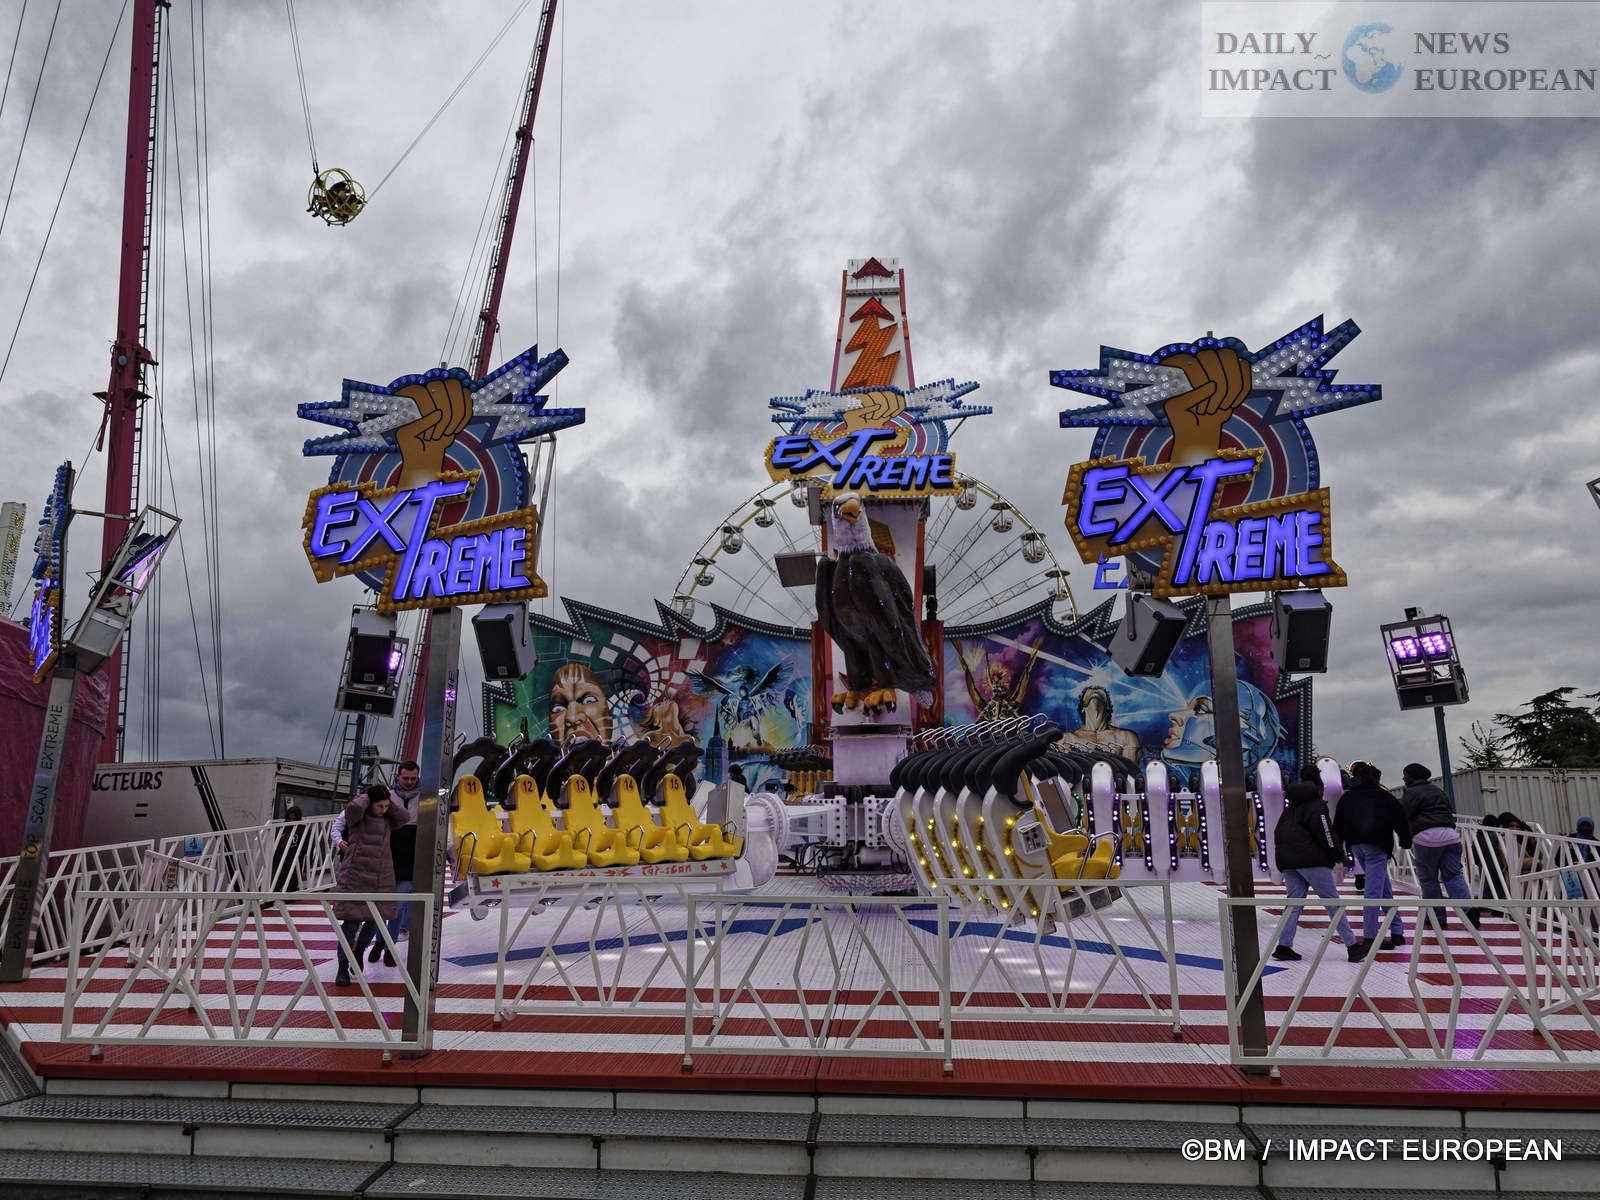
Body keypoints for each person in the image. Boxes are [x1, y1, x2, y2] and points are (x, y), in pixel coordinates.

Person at [1272, 780, 1364, 962]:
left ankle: (1284, 946)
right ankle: (1353, 946)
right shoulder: (1316, 807)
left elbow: (1278, 834)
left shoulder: (1289, 810)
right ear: (1317, 790)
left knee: (1293, 904)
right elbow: (1326, 833)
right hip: (1311, 861)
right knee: (1332, 903)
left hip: (1288, 862)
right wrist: (1339, 855)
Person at [331, 783, 406, 988]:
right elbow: (352, 810)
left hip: (380, 876)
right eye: (379, 806)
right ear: (369, 803)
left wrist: (386, 799)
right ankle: (342, 966)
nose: (384, 809)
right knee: (351, 924)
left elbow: (404, 817)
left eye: (386, 806)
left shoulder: (388, 819)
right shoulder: (357, 817)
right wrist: (368, 795)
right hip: (355, 874)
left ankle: (359, 951)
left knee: (375, 920)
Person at [1333, 763, 1412, 951]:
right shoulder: (1385, 797)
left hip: (1356, 845)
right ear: (1377, 779)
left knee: (1383, 887)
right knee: (1373, 892)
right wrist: (1405, 841)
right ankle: (1371, 937)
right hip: (1377, 846)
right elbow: (1400, 821)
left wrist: (1339, 849)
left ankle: (1397, 930)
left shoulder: (1348, 797)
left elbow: (1338, 825)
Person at [1400, 763, 1478, 933]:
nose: (1403, 777)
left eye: (1405, 774)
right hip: (1451, 836)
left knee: (1429, 879)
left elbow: (1404, 814)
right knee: (1453, 875)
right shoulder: (1438, 791)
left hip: (1427, 838)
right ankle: (1468, 909)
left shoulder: (1411, 792)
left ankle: (1437, 917)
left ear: (1412, 776)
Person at [375, 761, 421, 965]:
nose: (409, 782)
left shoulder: (426, 798)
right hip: (387, 857)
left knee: (398, 907)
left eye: (413, 778)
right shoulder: (387, 797)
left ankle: (388, 947)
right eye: (406, 778)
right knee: (381, 906)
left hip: (411, 859)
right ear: (398, 777)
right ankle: (380, 940)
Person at [271, 805, 305, 892]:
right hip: (278, 864)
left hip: (294, 867)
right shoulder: (282, 828)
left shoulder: (303, 830)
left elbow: (306, 851)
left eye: (294, 819)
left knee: (289, 893)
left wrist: (304, 870)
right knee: (272, 890)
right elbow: (276, 848)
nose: (291, 821)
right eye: (289, 819)